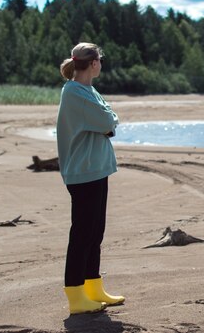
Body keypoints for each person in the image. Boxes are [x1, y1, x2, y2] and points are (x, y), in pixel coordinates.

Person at [57, 42, 125, 314]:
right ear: (93, 63)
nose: (101, 64)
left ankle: (93, 288)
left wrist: (107, 122)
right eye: (100, 60)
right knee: (82, 234)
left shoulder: (88, 90)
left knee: (95, 232)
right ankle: (75, 296)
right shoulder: (74, 92)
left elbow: (109, 118)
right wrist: (107, 123)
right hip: (83, 172)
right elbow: (109, 122)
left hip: (96, 169)